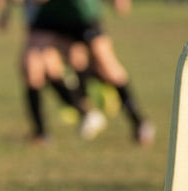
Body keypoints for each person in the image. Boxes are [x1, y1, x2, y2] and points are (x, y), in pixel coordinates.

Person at [25, 0, 154, 146]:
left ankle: (139, 122)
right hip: (50, 15)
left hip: (81, 14)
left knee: (106, 66)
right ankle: (41, 133)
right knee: (32, 66)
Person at [0, 0, 108, 143]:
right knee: (45, 72)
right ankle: (82, 113)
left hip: (53, 21)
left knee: (38, 66)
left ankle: (43, 132)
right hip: (38, 25)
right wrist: (5, 13)